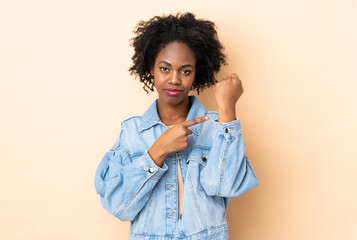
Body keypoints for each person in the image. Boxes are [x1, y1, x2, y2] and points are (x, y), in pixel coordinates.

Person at [94, 12, 259, 240]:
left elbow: (226, 187)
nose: (174, 79)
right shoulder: (132, 133)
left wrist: (227, 111)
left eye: (185, 70)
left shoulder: (218, 127)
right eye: (164, 68)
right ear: (150, 69)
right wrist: (157, 151)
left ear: (196, 74)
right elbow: (119, 206)